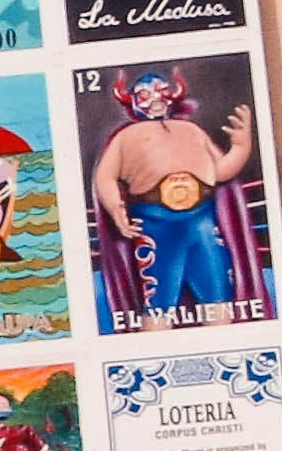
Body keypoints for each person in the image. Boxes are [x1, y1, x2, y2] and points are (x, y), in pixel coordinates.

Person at [87, 72, 261, 325]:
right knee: (158, 305)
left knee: (219, 298)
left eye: (161, 90)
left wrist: (241, 147)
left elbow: (220, 171)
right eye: (145, 94)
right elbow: (105, 177)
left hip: (202, 222)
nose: (155, 99)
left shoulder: (191, 130)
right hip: (156, 226)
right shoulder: (126, 137)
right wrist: (116, 209)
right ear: (132, 100)